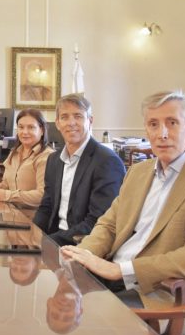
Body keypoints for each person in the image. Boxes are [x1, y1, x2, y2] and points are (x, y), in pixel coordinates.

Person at [61, 90, 185, 335]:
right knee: (61, 305)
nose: (162, 133)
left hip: (170, 293)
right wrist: (85, 255)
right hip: (114, 278)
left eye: (172, 122)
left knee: (93, 327)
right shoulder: (138, 172)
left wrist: (121, 270)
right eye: (153, 124)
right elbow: (109, 225)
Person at [33, 93, 125, 245]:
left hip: (82, 244)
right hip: (55, 238)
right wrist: (32, 235)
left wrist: (48, 242)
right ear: (57, 123)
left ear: (90, 121)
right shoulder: (54, 160)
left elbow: (98, 222)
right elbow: (46, 208)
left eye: (78, 116)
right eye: (64, 117)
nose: (71, 123)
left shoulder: (107, 161)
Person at [0, 108, 54, 207]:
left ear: (42, 130)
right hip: (10, 212)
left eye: (31, 127)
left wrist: (7, 195)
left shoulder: (47, 156)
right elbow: (7, 186)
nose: (24, 132)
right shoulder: (13, 153)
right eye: (21, 127)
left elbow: (43, 195)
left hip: (33, 214)